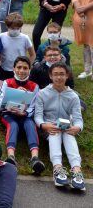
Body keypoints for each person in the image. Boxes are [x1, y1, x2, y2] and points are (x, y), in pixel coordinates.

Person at [34, 62, 85, 190]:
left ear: (67, 75)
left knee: (69, 136)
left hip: (67, 127)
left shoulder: (73, 96)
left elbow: (78, 119)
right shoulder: (42, 93)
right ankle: (57, 168)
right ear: (50, 76)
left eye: (62, 74)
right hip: (49, 127)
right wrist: (44, 125)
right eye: (55, 74)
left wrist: (77, 127)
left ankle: (77, 170)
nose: (59, 77)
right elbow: (38, 116)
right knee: (54, 133)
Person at [0, 56, 45, 174]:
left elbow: (34, 106)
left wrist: (25, 112)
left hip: (25, 116)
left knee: (30, 124)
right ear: (13, 69)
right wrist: (13, 98)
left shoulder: (34, 86)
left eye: (25, 68)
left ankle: (35, 158)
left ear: (29, 70)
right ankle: (11, 157)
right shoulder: (7, 83)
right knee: (13, 125)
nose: (21, 71)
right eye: (19, 67)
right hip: (8, 115)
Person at [0, 13, 35, 80]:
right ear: (7, 26)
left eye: (18, 28)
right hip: (4, 69)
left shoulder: (25, 38)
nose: (15, 30)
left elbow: (32, 55)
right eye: (12, 28)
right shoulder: (1, 37)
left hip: (19, 71)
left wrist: (27, 66)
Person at [71, 0, 93, 80]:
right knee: (86, 44)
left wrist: (85, 7)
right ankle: (87, 70)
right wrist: (78, 6)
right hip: (81, 18)